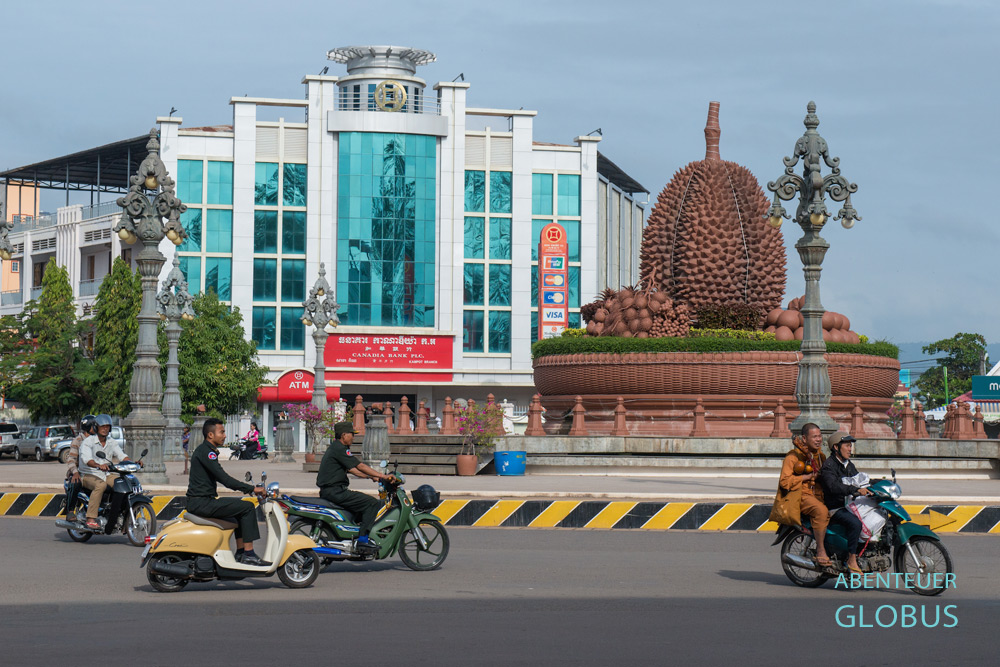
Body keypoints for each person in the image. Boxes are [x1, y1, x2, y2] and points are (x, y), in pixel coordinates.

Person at [186, 418, 268, 566]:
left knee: (237, 512)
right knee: (247, 507)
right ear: (210, 435)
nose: (224, 435)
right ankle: (249, 554)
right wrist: (252, 489)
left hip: (200, 501)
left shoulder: (205, 450)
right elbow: (225, 480)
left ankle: (240, 553)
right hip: (202, 502)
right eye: (221, 432)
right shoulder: (207, 453)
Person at [316, 421, 396, 551]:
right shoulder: (340, 449)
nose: (353, 437)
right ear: (343, 435)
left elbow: (353, 470)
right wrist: (383, 476)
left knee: (360, 505)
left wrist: (371, 476)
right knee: (371, 503)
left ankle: (353, 532)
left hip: (331, 491)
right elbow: (360, 466)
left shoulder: (336, 447)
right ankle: (363, 540)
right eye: (351, 434)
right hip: (336, 492)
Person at [777, 423, 831, 567]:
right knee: (821, 511)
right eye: (814, 437)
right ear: (804, 438)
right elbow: (784, 482)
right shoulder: (793, 457)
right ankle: (820, 550)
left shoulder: (821, 456)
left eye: (820, 436)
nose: (818, 439)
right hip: (801, 496)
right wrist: (806, 477)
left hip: (818, 495)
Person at [819, 432, 870, 573]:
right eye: (847, 445)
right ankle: (851, 560)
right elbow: (833, 487)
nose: (850, 449)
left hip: (850, 505)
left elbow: (859, 479)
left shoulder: (848, 464)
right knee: (855, 523)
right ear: (836, 447)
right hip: (835, 506)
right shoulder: (829, 466)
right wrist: (855, 490)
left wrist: (876, 485)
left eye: (850, 446)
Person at [78, 414, 138, 530]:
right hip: (88, 474)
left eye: (107, 426)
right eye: (102, 426)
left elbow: (121, 456)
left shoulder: (111, 442)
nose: (105, 429)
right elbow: (87, 460)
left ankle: (115, 515)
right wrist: (98, 465)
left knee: (122, 483)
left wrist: (132, 463)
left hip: (106, 474)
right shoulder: (88, 442)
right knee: (101, 485)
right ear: (96, 427)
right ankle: (90, 518)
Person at [64, 415, 97, 519]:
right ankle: (70, 511)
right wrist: (75, 472)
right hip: (80, 472)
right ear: (88, 427)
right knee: (76, 482)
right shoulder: (78, 441)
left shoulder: (98, 440)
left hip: (94, 471)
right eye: (95, 426)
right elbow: (71, 460)